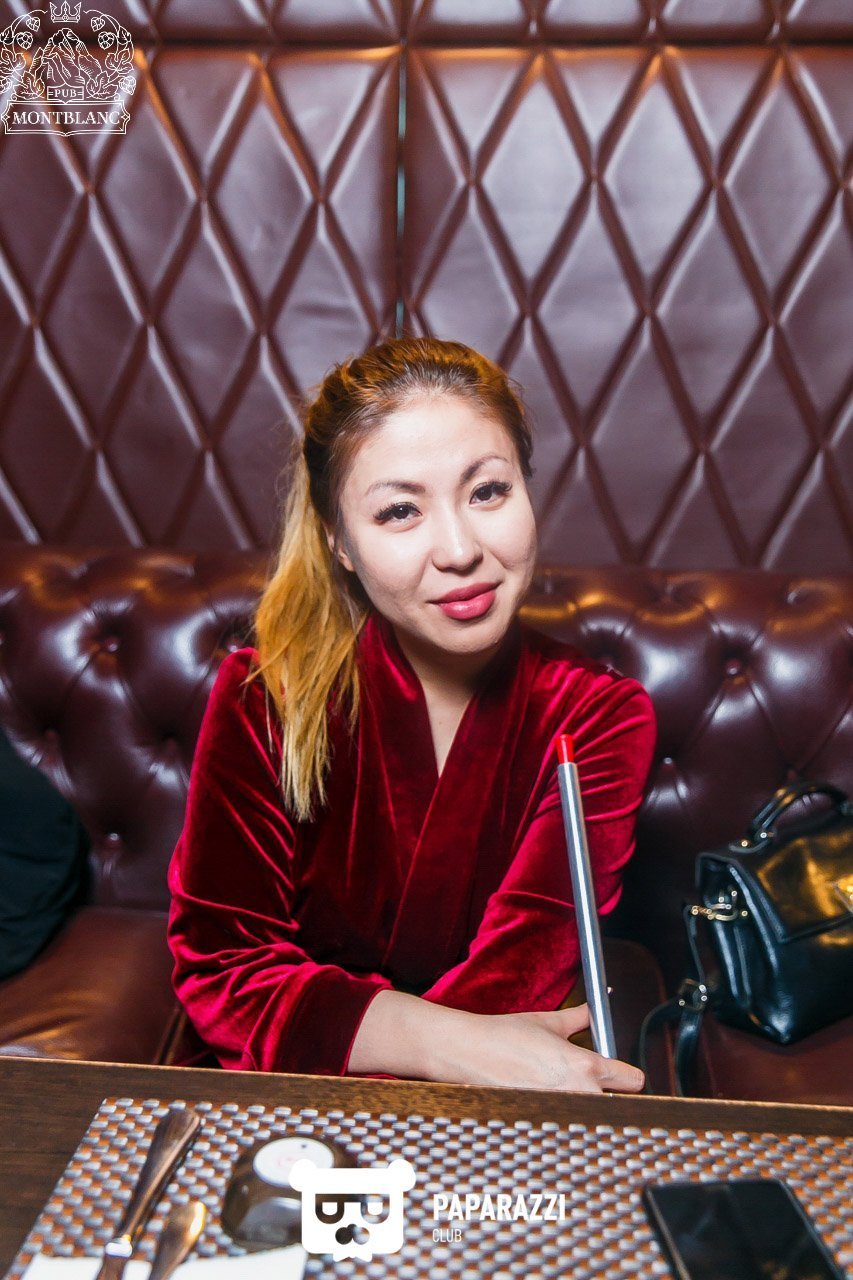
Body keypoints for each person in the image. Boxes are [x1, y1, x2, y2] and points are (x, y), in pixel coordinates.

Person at [167, 336, 656, 1093]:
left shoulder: (599, 716)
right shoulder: (264, 694)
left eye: (487, 492)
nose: (459, 550)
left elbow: (519, 974)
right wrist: (443, 1045)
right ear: (340, 542)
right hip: (287, 1094)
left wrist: (398, 1056)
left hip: (482, 1103)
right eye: (400, 510)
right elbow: (224, 967)